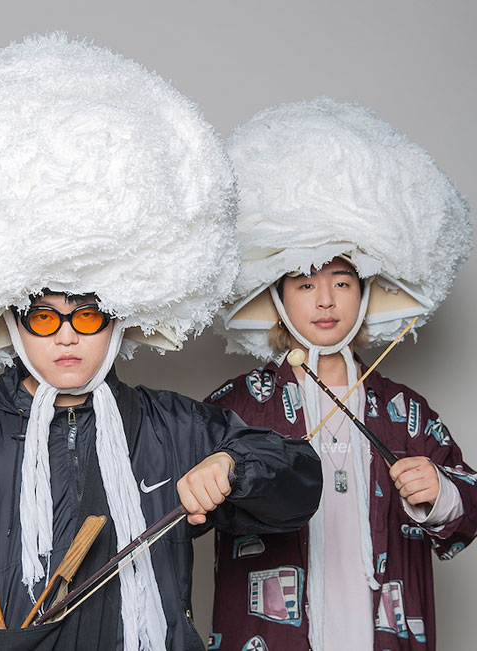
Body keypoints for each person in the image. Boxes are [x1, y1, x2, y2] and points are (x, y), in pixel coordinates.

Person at [0, 34, 322, 651]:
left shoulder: (172, 428)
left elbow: (299, 484)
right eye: (44, 317)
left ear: (119, 319)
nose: (65, 336)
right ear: (11, 320)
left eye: (87, 317)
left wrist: (236, 466)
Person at [207, 98, 476, 651]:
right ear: (276, 297)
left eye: (343, 280)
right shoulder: (231, 408)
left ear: (368, 290)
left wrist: (442, 493)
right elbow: (177, 512)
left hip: (385, 628)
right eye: (304, 284)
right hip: (270, 634)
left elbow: (469, 503)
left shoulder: (407, 410)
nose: (325, 300)